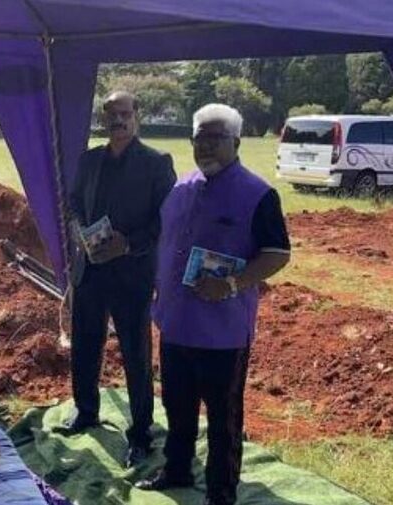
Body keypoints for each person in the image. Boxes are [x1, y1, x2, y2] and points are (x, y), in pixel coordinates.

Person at [136, 104, 291, 505]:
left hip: (222, 332)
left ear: (236, 142)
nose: (205, 146)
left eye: (215, 138)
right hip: (175, 323)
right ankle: (177, 469)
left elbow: (277, 253)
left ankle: (221, 493)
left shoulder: (258, 195)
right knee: (177, 406)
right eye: (199, 138)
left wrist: (233, 283)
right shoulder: (180, 188)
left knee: (223, 418)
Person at [63, 91, 177, 467]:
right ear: (104, 118)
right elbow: (73, 201)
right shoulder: (89, 160)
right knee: (85, 343)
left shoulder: (156, 163)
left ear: (136, 116)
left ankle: (141, 432)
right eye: (112, 114)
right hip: (90, 269)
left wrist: (127, 244)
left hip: (132, 274)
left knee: (135, 354)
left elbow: (166, 220)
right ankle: (86, 410)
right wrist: (78, 228)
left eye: (125, 113)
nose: (118, 120)